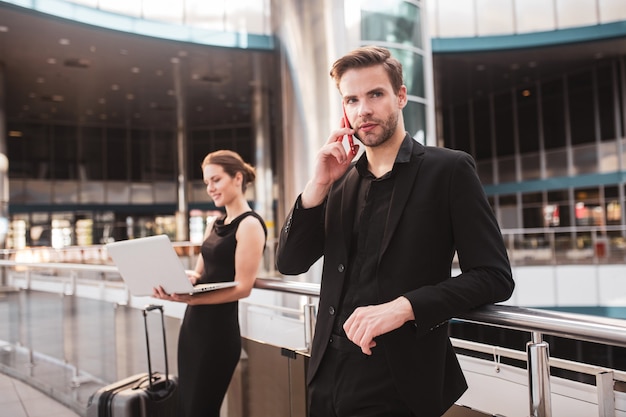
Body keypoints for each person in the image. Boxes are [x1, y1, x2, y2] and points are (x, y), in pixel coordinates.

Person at [275, 46, 515, 417]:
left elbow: (494, 277)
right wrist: (317, 184)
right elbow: (290, 262)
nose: (363, 110)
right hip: (327, 374)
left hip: (399, 381)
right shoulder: (339, 182)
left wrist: (405, 307)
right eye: (351, 99)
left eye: (375, 94)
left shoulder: (448, 170)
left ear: (401, 96)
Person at [153, 150, 267, 417]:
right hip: (193, 328)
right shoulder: (214, 223)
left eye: (216, 180)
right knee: (187, 407)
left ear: (237, 178)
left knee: (201, 410)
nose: (210, 188)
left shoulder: (250, 225)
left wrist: (192, 298)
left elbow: (242, 287)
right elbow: (200, 274)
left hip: (218, 334)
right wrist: (178, 283)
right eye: (207, 183)